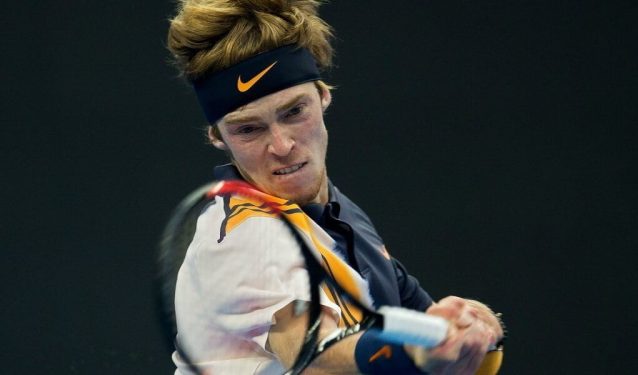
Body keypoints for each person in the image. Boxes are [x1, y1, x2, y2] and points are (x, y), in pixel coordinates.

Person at [166, 0, 505, 373]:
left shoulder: (338, 215)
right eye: (249, 129)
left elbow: (418, 323)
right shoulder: (247, 237)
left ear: (324, 95)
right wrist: (412, 355)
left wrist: (474, 327)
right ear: (216, 137)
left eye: (294, 112)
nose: (281, 146)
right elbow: (314, 352)